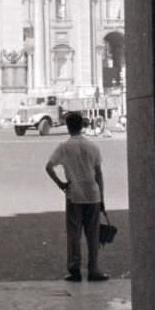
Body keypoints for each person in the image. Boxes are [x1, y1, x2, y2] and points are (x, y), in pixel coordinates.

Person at [45, 110, 108, 282]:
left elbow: (49, 167)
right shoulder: (93, 146)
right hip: (93, 195)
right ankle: (94, 269)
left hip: (74, 195)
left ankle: (75, 269)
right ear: (82, 126)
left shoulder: (64, 147)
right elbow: (99, 174)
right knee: (93, 235)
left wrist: (61, 184)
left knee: (74, 234)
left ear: (68, 126)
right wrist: (102, 198)